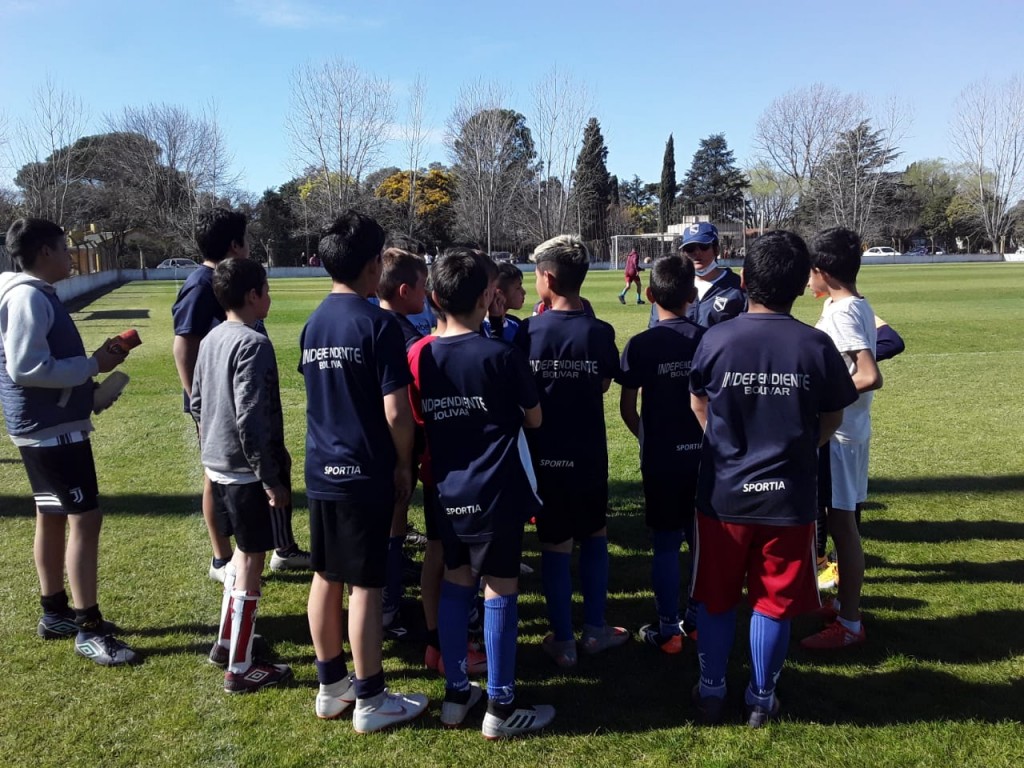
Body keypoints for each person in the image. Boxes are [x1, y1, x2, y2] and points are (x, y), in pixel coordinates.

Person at [688, 230, 858, 727]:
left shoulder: (716, 339)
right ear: (801, 283)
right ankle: (761, 699)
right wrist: (800, 448)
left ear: (744, 279)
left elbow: (699, 403)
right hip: (789, 498)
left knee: (716, 596)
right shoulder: (816, 345)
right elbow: (833, 416)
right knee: (773, 601)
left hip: (723, 496)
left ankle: (712, 691)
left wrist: (728, 448)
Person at [409, 250, 555, 739]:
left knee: (456, 581)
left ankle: (456, 694)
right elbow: (534, 418)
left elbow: (418, 416)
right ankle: (500, 705)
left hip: (447, 490)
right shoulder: (500, 355)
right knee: (499, 587)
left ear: (433, 298)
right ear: (488, 296)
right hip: (495, 490)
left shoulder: (422, 355)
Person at [300, 210, 427, 732]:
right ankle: (371, 698)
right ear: (374, 265)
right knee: (366, 586)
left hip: (320, 470)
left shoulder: (313, 323)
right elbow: (396, 412)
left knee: (326, 575)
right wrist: (403, 464)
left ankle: (331, 686)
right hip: (362, 470)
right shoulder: (377, 325)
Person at [0, 217, 137, 666]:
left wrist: (86, 390)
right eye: (63, 249)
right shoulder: (27, 297)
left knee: (52, 515)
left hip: (47, 424)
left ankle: (55, 612)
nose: (70, 258)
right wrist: (91, 366)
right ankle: (88, 628)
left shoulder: (31, 294)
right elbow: (26, 367)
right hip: (51, 431)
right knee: (85, 518)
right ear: (44, 252)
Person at [172, 208, 308, 583]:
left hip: (235, 398)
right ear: (235, 245)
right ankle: (222, 558)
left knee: (274, 463)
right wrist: (200, 407)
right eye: (246, 240)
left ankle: (282, 546)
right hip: (221, 406)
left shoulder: (231, 282)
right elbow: (183, 346)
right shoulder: (202, 284)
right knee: (219, 478)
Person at [514, 235, 627, 668]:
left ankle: (562, 641)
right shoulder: (599, 331)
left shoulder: (527, 332)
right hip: (588, 453)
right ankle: (595, 631)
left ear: (547, 277)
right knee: (595, 534)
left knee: (555, 544)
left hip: (545, 455)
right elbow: (604, 381)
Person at [191, 258, 293, 693]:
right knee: (251, 561)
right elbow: (251, 417)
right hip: (246, 472)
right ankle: (241, 666)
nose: (269, 297)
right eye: (266, 289)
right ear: (253, 296)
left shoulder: (212, 337)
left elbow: (197, 401)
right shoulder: (253, 343)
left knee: (239, 558)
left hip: (218, 465)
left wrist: (211, 451)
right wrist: (269, 477)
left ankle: (227, 641)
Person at [801, 227, 883, 650]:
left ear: (824, 271)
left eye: (810, 270)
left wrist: (824, 396)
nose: (807, 279)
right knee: (839, 523)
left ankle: (850, 623)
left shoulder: (842, 313)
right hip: (849, 431)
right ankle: (840, 604)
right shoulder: (851, 304)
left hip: (840, 436)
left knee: (843, 526)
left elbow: (869, 375)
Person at [619, 256, 704, 654]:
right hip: (704, 456)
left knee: (666, 544)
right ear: (693, 295)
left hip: (661, 459)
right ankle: (699, 621)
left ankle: (669, 630)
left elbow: (627, 408)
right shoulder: (710, 339)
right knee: (702, 541)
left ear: (650, 295)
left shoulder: (641, 344)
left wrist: (647, 439)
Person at [376, 247, 429, 640]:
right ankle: (388, 606)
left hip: (363, 444)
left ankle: (386, 600)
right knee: (394, 522)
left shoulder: (370, 324)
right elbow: (403, 405)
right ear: (405, 291)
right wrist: (406, 460)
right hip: (395, 445)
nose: (426, 294)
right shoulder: (402, 335)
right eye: (423, 286)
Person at [648, 222, 746, 329]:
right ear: (683, 253)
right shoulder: (671, 285)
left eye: (704, 246)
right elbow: (656, 326)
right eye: (690, 248)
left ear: (716, 249)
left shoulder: (737, 287)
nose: (697, 252)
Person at [482, 262, 526, 342]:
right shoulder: (479, 329)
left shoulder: (516, 323)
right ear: (498, 294)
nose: (524, 292)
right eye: (518, 288)